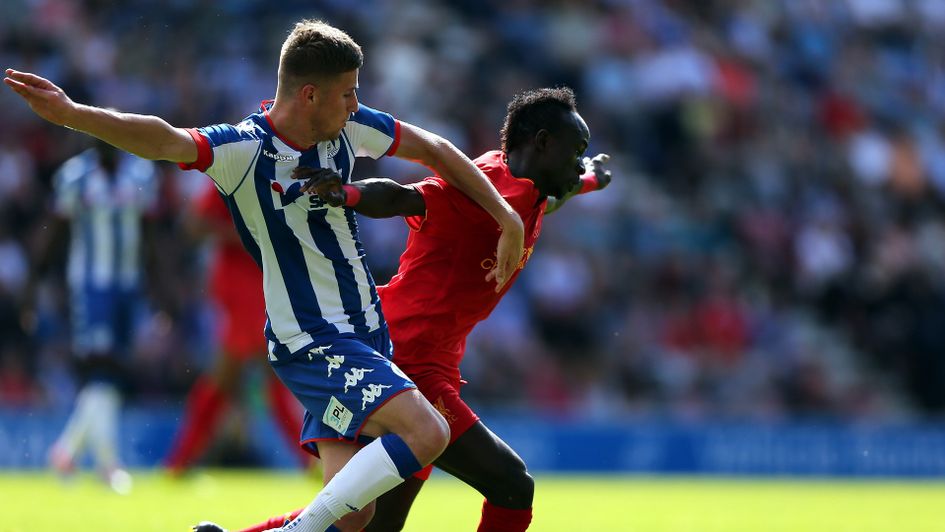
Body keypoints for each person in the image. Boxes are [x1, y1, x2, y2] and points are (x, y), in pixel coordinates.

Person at [4, 18, 525, 532]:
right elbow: (163, 139)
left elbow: (434, 149)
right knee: (428, 432)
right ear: (309, 95)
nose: (355, 104)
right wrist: (73, 114)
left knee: (354, 516)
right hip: (313, 340)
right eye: (347, 93)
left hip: (367, 333)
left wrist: (505, 215)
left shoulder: (351, 128)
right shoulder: (244, 150)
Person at [196, 87, 611, 532]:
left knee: (370, 522)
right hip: (406, 356)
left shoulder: (532, 193)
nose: (577, 163)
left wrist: (590, 179)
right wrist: (348, 194)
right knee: (512, 486)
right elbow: (403, 197)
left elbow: (552, 198)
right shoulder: (479, 188)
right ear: (543, 142)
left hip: (433, 360)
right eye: (576, 152)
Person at [23, 138, 158, 494]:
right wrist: (33, 286)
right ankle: (108, 464)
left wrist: (160, 288)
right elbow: (56, 232)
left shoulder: (139, 173)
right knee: (102, 366)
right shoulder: (76, 176)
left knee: (112, 371)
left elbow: (149, 234)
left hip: (128, 286)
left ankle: (67, 451)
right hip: (90, 288)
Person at [164, 181, 307, 474]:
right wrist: (245, 234)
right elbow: (193, 225)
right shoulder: (232, 174)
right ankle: (308, 459)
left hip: (265, 284)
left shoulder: (274, 172)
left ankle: (179, 462)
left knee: (237, 377)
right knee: (263, 371)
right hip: (243, 287)